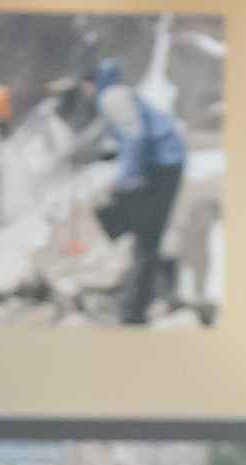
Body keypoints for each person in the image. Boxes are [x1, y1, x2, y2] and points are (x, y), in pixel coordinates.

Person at [85, 55, 187, 326]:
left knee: (145, 235)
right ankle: (144, 294)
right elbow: (128, 134)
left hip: (162, 165)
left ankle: (135, 310)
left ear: (93, 83)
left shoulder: (111, 97)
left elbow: (135, 135)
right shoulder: (119, 94)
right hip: (163, 162)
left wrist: (125, 177)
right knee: (143, 232)